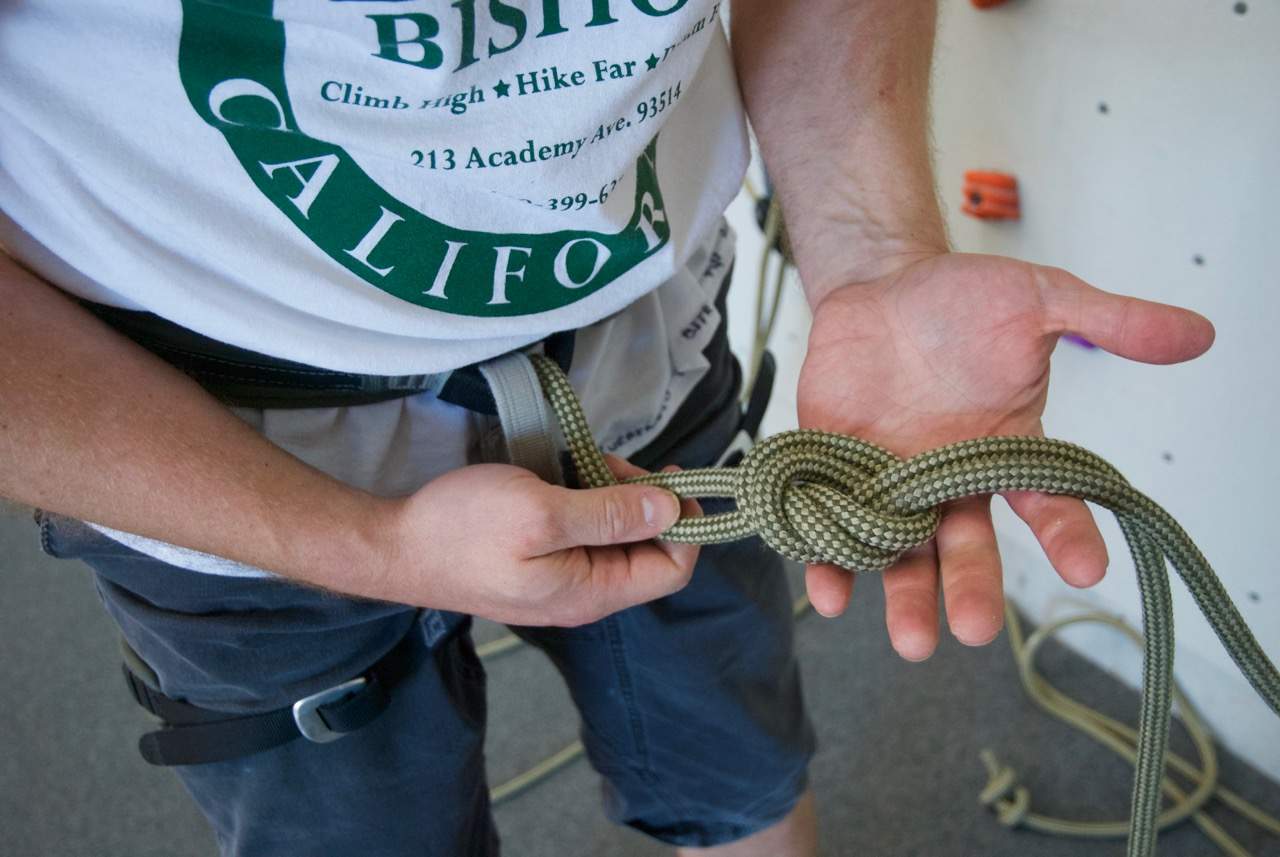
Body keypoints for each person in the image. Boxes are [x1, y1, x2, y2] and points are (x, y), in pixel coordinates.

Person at [0, 2, 1215, 855]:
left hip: (651, 366)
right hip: (219, 459)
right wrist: (361, 544)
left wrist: (877, 254)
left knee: (738, 765)